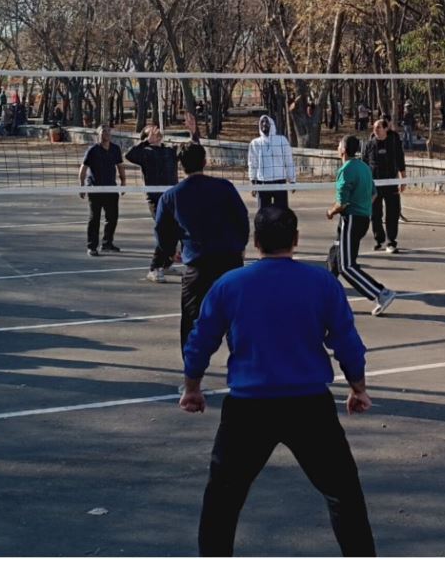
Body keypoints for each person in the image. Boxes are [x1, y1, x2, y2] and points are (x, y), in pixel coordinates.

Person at [181, 206, 377, 556]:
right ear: (296, 240)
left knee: (222, 500)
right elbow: (347, 341)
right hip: (309, 407)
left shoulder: (230, 285)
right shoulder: (322, 283)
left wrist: (193, 387)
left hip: (248, 409)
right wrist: (357, 386)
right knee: (343, 494)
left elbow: (201, 340)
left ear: (255, 242)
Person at [155, 141, 251, 347]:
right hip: (230, 263)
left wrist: (170, 251)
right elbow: (242, 218)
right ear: (205, 162)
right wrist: (241, 245)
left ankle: (192, 366)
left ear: (180, 165)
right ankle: (243, 363)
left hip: (199, 267)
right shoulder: (224, 187)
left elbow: (161, 230)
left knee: (191, 323)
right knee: (236, 321)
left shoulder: (171, 196)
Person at [327, 135, 396, 316]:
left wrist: (331, 211)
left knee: (346, 266)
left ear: (343, 150)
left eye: (338, 145)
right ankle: (323, 297)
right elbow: (374, 194)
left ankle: (380, 293)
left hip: (351, 219)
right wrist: (363, 207)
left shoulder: (346, 170)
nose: (337, 148)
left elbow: (342, 203)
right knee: (335, 256)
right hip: (361, 218)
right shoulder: (364, 167)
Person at [125, 123, 179, 282]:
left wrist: (193, 132)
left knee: (175, 232)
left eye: (157, 130)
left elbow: (191, 152)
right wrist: (146, 141)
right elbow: (129, 155)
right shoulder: (145, 152)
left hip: (172, 197)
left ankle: (167, 264)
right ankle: (154, 268)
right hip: (156, 198)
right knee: (164, 232)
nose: (156, 132)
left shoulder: (169, 151)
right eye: (152, 131)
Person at [78, 124, 127, 257]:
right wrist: (81, 186)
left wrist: (123, 182)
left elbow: (120, 166)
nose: (106, 133)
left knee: (112, 218)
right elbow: (83, 169)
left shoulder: (115, 149)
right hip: (95, 189)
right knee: (94, 218)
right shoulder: (93, 150)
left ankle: (107, 243)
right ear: (98, 135)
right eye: (103, 131)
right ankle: (92, 246)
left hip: (111, 188)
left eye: (108, 131)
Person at [361, 118, 406, 254]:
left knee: (393, 213)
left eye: (379, 127)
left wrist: (403, 180)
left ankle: (391, 242)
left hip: (391, 183)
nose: (375, 130)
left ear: (386, 128)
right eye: (374, 127)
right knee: (375, 214)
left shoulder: (393, 143)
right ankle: (379, 239)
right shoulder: (369, 144)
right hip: (374, 185)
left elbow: (400, 160)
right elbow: (364, 164)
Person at [247, 114, 297, 211]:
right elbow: (252, 164)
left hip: (280, 182)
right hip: (263, 183)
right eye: (262, 122)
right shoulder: (255, 143)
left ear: (272, 124)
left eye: (267, 122)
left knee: (282, 213)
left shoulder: (282, 140)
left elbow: (289, 161)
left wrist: (292, 180)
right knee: (263, 213)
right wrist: (253, 183)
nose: (264, 124)